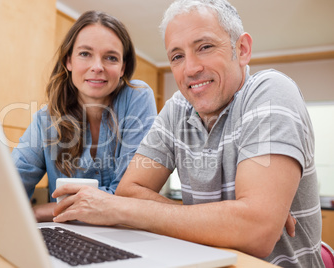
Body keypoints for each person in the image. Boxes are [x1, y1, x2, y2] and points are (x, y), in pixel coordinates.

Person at [50, 1, 324, 267]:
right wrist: (232, 218)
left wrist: (117, 209)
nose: (190, 69)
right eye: (177, 56)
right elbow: (130, 192)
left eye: (204, 47)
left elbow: (256, 233)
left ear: (241, 49)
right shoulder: (177, 109)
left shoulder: (270, 92)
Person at [0, 10, 157, 232]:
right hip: (69, 239)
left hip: (126, 236)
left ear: (122, 68)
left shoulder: (137, 97)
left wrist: (39, 212)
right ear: (68, 61)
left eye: (111, 57)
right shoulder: (46, 120)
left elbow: (128, 197)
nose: (97, 66)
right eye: (85, 54)